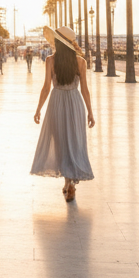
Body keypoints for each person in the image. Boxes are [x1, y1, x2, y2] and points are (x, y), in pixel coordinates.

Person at [31, 26, 95, 202]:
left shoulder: (50, 61)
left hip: (57, 102)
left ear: (59, 43)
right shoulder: (80, 62)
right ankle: (70, 183)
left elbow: (46, 87)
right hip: (75, 103)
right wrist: (90, 112)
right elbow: (85, 90)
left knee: (60, 142)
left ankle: (68, 182)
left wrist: (38, 109)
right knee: (74, 141)